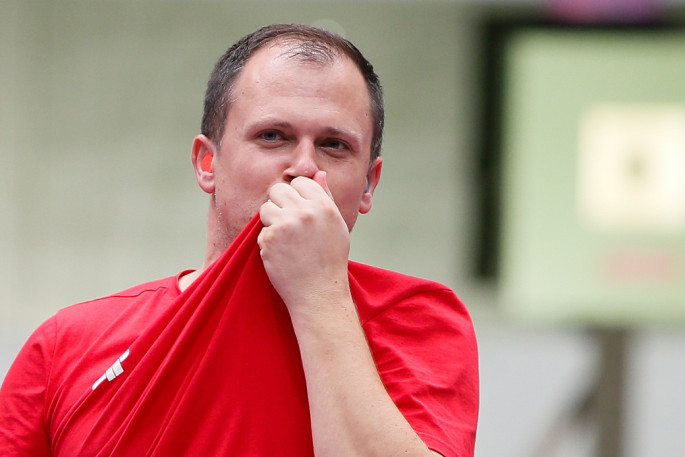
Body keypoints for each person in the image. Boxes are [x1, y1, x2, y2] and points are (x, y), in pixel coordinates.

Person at [0, 24, 479, 457]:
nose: (304, 167)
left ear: (369, 184)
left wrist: (319, 292)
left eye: (334, 145)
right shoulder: (70, 343)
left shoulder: (417, 320)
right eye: (272, 136)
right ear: (207, 163)